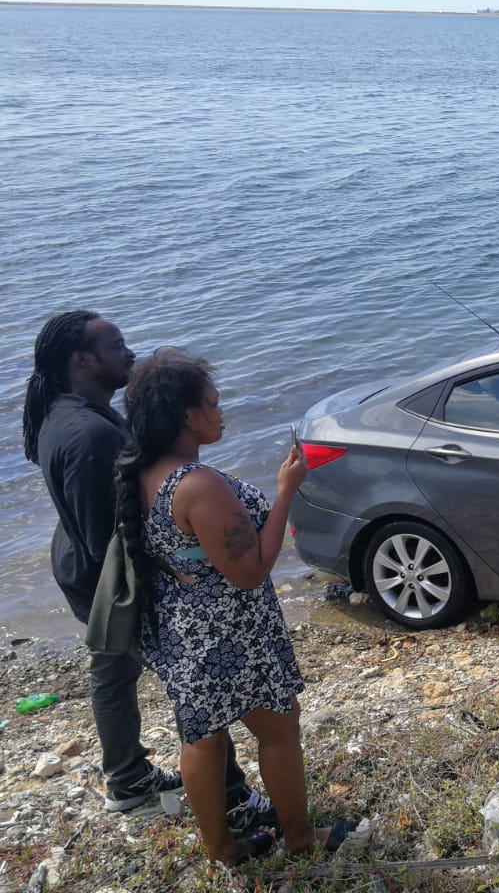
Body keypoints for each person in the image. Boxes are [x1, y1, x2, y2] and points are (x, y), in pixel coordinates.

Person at [21, 311, 272, 830]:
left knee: (114, 669)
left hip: (79, 566)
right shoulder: (90, 435)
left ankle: (127, 777)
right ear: (82, 360)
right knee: (196, 683)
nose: (129, 353)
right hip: (107, 580)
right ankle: (230, 798)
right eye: (117, 346)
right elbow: (105, 538)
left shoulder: (68, 413)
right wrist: (174, 567)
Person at [115, 349, 354, 865]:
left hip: (182, 628)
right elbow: (250, 572)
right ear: (186, 415)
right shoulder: (198, 485)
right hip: (229, 632)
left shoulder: (142, 473)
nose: (221, 413)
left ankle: (222, 850)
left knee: (203, 738)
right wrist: (286, 491)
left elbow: (181, 551)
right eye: (213, 403)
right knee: (279, 728)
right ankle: (301, 839)